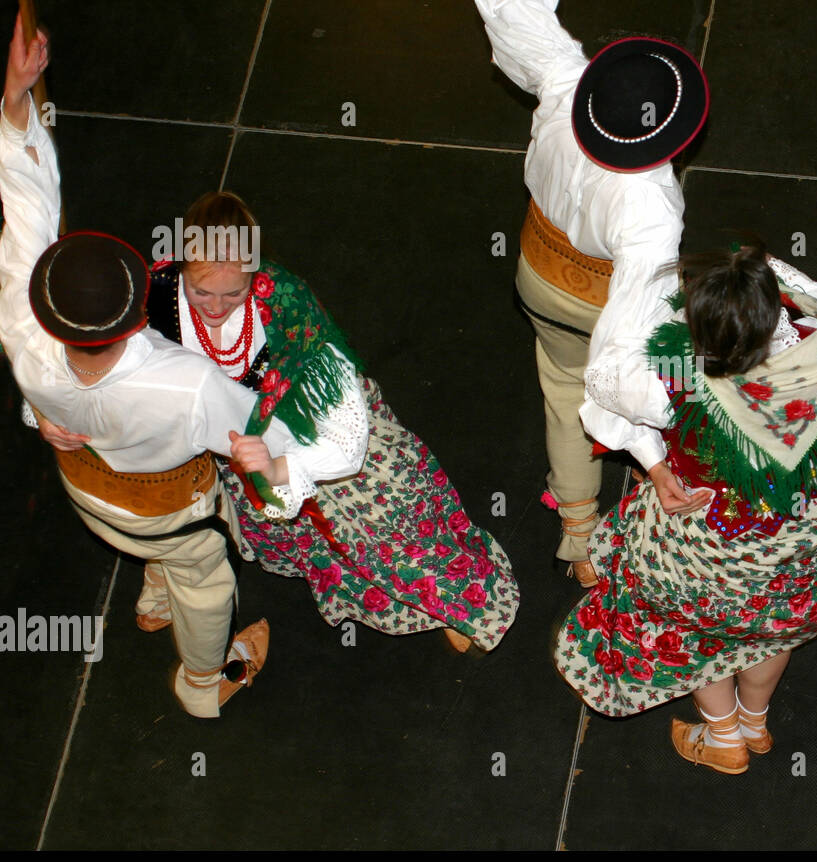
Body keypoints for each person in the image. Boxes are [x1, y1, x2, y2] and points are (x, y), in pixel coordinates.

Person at [0, 17, 327, 718]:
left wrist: (15, 103)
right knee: (207, 584)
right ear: (134, 312)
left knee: (153, 552)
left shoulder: (22, 324)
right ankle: (204, 684)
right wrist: (272, 458)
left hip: (86, 487)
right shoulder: (185, 384)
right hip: (165, 509)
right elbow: (265, 443)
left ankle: (150, 597)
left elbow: (26, 209)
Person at [44, 190, 521, 653]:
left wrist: (283, 469)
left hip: (310, 432)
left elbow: (347, 439)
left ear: (255, 273)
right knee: (198, 516)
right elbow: (86, 357)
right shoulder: (149, 295)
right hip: (226, 450)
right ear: (180, 267)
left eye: (233, 292)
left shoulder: (286, 303)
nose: (213, 306)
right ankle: (168, 573)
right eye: (201, 290)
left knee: (388, 520)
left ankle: (453, 601)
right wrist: (47, 414)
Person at [554, 246, 817, 775]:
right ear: (775, 313)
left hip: (711, 537)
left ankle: (723, 737)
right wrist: (766, 276)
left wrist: (656, 464)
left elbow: (601, 390)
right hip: (808, 532)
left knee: (702, 637)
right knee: (769, 631)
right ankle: (755, 723)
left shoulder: (671, 374)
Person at [475, 0, 711, 588]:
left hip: (536, 269)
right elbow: (619, 356)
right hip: (599, 298)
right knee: (608, 381)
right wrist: (648, 448)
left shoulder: (566, 83)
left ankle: (578, 531)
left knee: (559, 388)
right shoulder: (654, 209)